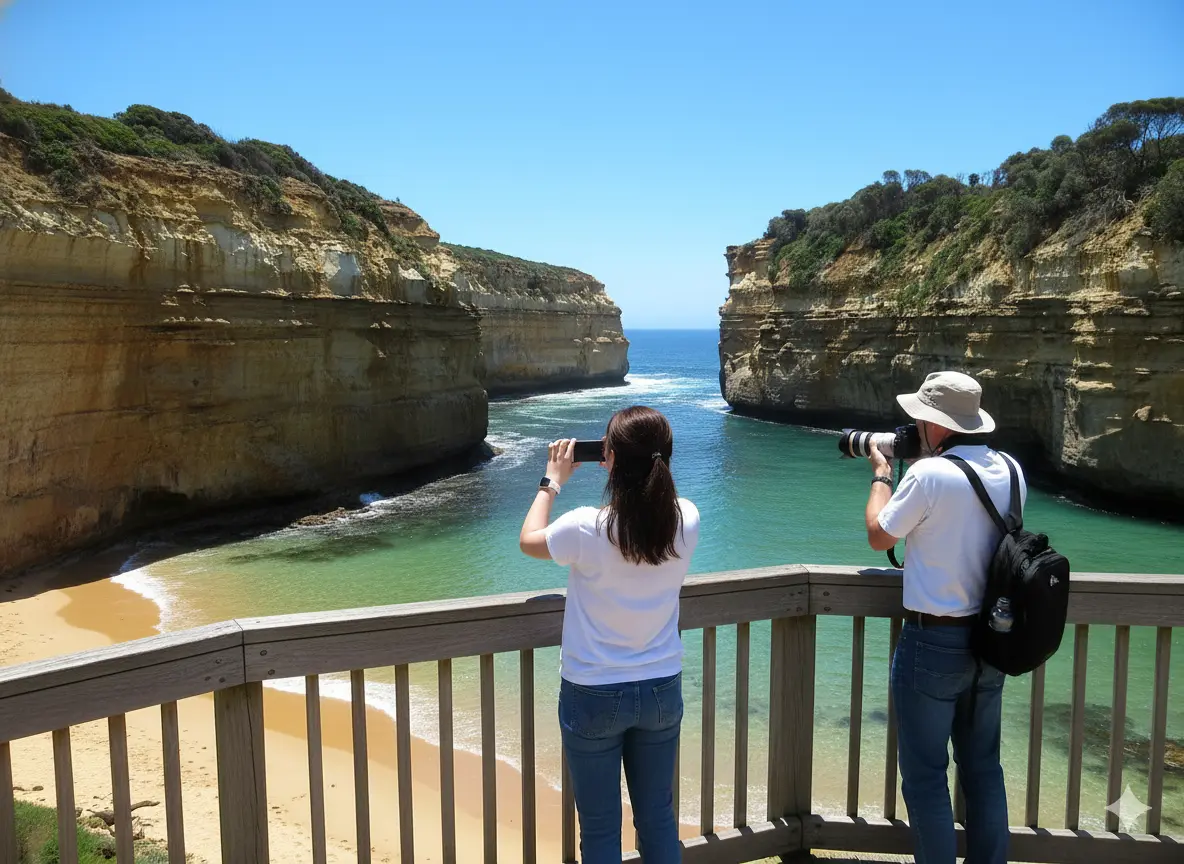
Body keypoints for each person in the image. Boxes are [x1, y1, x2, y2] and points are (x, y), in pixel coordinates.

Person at [518, 406, 700, 864]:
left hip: (593, 691)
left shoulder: (585, 526)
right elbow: (645, 515)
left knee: (600, 829)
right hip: (661, 687)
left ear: (610, 459)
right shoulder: (687, 519)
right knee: (657, 818)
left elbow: (529, 539)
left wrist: (552, 480)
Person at [863, 371, 1025, 864]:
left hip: (932, 642)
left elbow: (879, 535)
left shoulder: (928, 476)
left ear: (935, 425)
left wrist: (882, 475)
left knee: (927, 775)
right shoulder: (1013, 471)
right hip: (992, 640)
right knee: (982, 768)